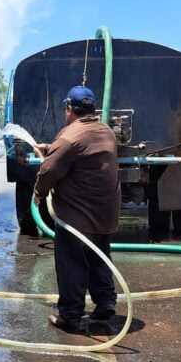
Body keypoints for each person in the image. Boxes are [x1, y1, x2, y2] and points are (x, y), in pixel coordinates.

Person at [33, 85, 120, 332]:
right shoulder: (105, 131)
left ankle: (70, 316)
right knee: (98, 258)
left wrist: (38, 193)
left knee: (71, 263)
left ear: (69, 109)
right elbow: (83, 154)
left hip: (78, 217)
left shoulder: (71, 136)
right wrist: (50, 149)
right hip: (106, 214)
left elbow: (49, 170)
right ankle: (105, 304)